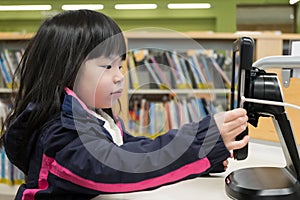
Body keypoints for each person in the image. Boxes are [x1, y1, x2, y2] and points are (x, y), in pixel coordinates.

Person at [0, 10, 249, 200]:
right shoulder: (61, 134)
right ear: (64, 72)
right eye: (107, 66)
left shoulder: (94, 117)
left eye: (120, 65)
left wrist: (199, 160)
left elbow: (136, 149)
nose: (119, 76)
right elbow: (118, 166)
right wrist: (200, 144)